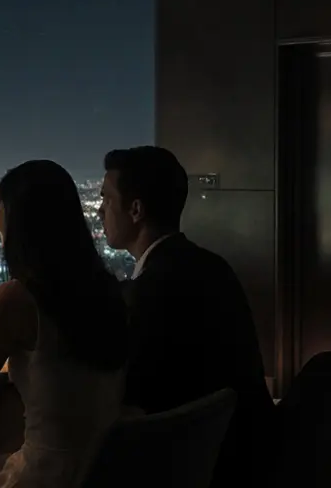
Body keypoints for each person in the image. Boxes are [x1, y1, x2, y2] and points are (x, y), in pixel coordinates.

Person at [0, 159, 128, 488]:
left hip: (44, 477)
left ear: (16, 221)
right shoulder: (106, 290)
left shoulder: (15, 299)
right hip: (102, 472)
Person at [100, 146, 274, 487]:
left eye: (106, 199)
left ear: (135, 210)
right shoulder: (211, 266)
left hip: (207, 466)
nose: (99, 210)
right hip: (251, 452)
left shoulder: (150, 291)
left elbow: (134, 397)